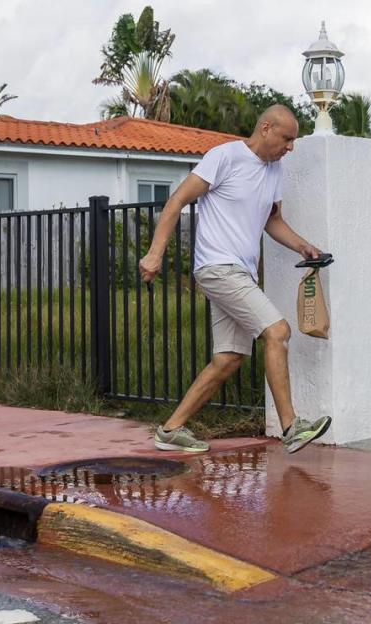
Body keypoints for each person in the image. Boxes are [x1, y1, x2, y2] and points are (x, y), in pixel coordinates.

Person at [139, 104, 332, 454]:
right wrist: (155, 253)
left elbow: (271, 221)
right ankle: (292, 427)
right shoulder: (224, 158)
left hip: (239, 271)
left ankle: (170, 430)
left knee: (228, 357)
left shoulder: (274, 171)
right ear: (265, 129)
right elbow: (177, 201)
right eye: (287, 139)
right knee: (278, 331)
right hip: (217, 267)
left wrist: (302, 245)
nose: (290, 147)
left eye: (294, 141)